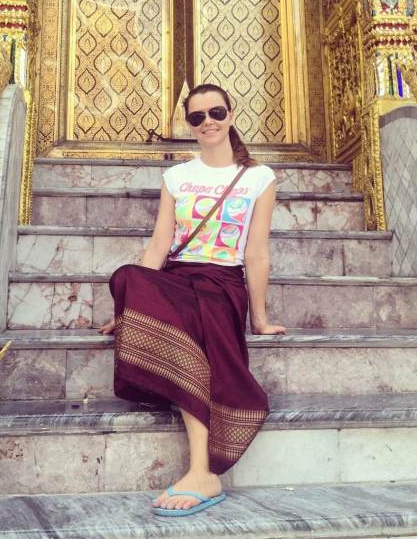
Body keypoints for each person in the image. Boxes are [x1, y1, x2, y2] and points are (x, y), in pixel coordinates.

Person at [99, 83, 286, 516]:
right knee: (127, 275)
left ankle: (202, 469)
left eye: (216, 112)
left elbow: (256, 252)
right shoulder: (177, 176)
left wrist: (258, 317)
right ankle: (200, 468)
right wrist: (132, 308)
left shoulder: (259, 178)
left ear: (231, 114)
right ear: (190, 125)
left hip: (223, 284)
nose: (208, 123)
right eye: (197, 117)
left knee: (196, 322)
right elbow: (160, 244)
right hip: (178, 279)